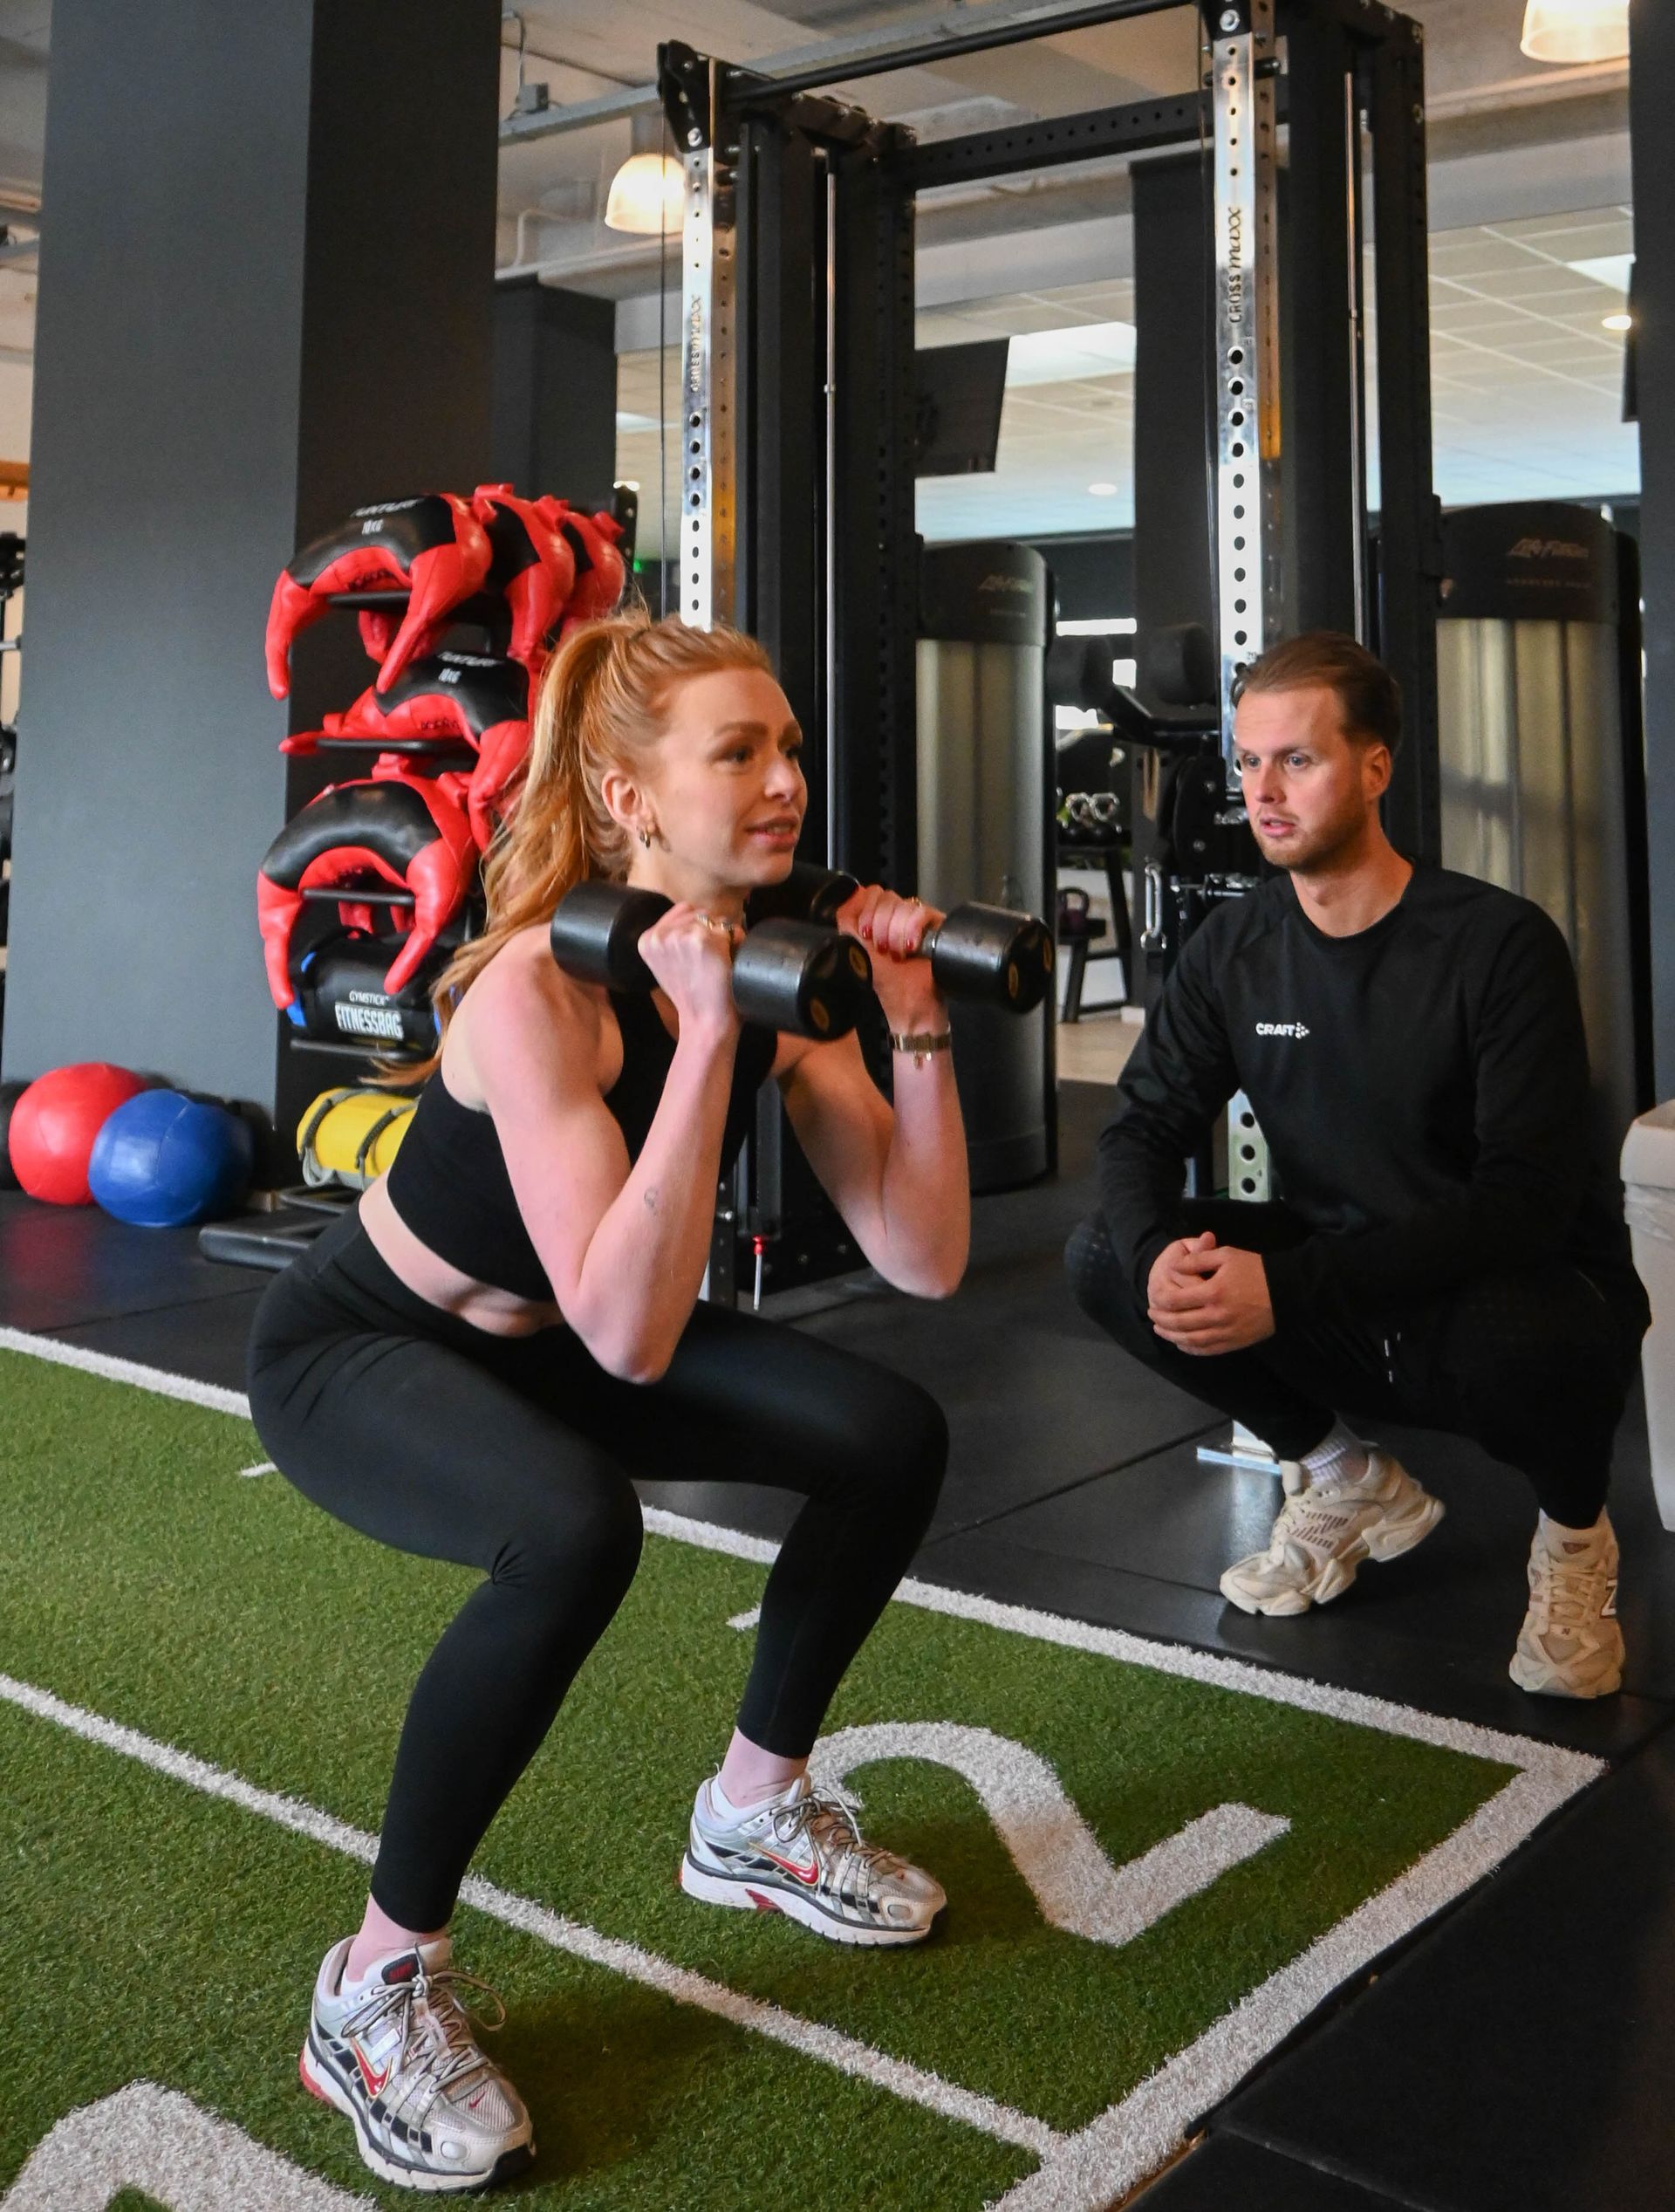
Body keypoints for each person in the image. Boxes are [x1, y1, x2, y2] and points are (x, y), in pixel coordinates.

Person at [247, 610, 970, 2195]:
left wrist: (911, 1015)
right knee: (568, 1529)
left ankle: (754, 1813)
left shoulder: (765, 961)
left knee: (888, 1433)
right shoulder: (535, 992)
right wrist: (714, 1038)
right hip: (373, 1348)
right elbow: (633, 1342)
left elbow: (920, 1255)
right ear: (633, 797)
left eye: (787, 747)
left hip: (569, 1328)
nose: (785, 780)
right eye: (741, 753)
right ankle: (373, 1986)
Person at [1067, 631, 1648, 1703]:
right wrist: (1158, 1259)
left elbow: (1524, 1207)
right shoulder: (1236, 951)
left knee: (1536, 1335)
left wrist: (1281, 1288)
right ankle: (1346, 1479)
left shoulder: (1497, 945)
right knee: (1105, 1249)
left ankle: (1574, 1539)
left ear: (1374, 767)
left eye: (1298, 759)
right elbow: (1139, 1128)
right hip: (1345, 1283)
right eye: (1248, 763)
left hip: (1502, 1297)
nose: (1263, 792)